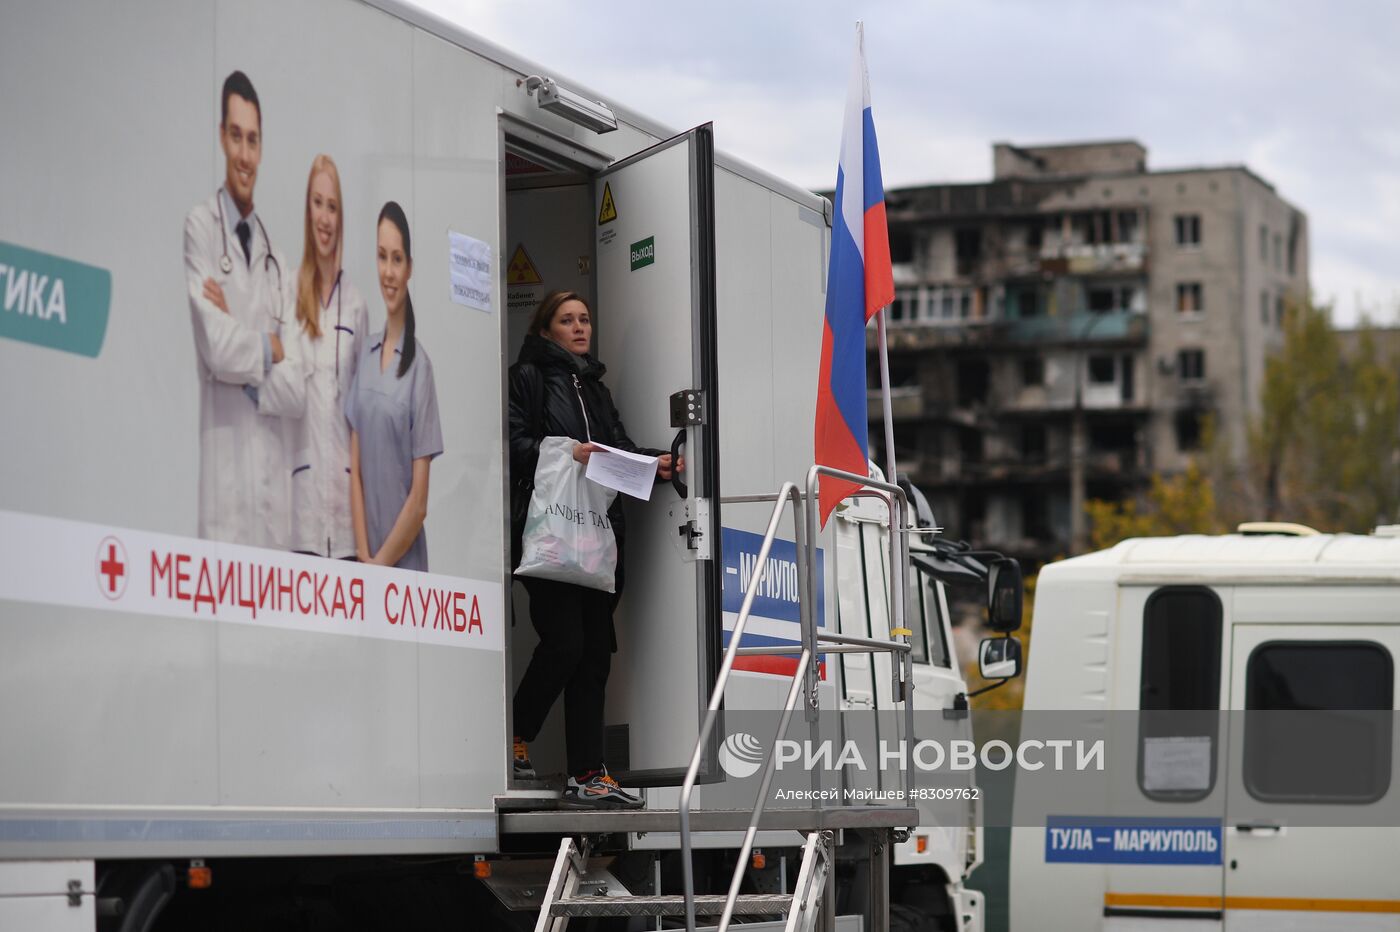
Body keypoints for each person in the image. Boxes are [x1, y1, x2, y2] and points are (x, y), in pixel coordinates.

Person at [508, 290, 681, 809]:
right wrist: (565, 452)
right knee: (563, 644)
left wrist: (658, 466)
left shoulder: (596, 388)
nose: (580, 327)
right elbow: (512, 447)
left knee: (593, 658)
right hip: (550, 535)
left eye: (585, 318)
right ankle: (514, 736)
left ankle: (588, 773)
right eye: (567, 320)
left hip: (598, 539)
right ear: (546, 331)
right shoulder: (528, 378)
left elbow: (620, 449)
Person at [185, 69, 304, 548]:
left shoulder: (277, 258)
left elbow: (298, 389)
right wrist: (272, 344)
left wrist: (244, 341)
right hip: (226, 496)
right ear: (221, 138)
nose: (245, 153)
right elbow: (216, 348)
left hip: (272, 502)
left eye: (253, 140)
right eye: (236, 136)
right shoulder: (201, 227)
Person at [345, 202, 441, 571]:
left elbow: (418, 502)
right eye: (382, 257)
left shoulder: (420, 368)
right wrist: (363, 556)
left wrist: (381, 564)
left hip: (404, 568)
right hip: (364, 561)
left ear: (409, 267)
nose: (388, 271)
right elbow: (354, 472)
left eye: (397, 259)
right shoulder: (365, 358)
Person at [288, 155, 369, 559]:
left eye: (332, 206)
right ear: (307, 210)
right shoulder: (287, 293)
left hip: (345, 507)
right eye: (317, 203)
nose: (324, 217)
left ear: (341, 217)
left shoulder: (355, 305)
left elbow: (362, 410)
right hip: (298, 506)